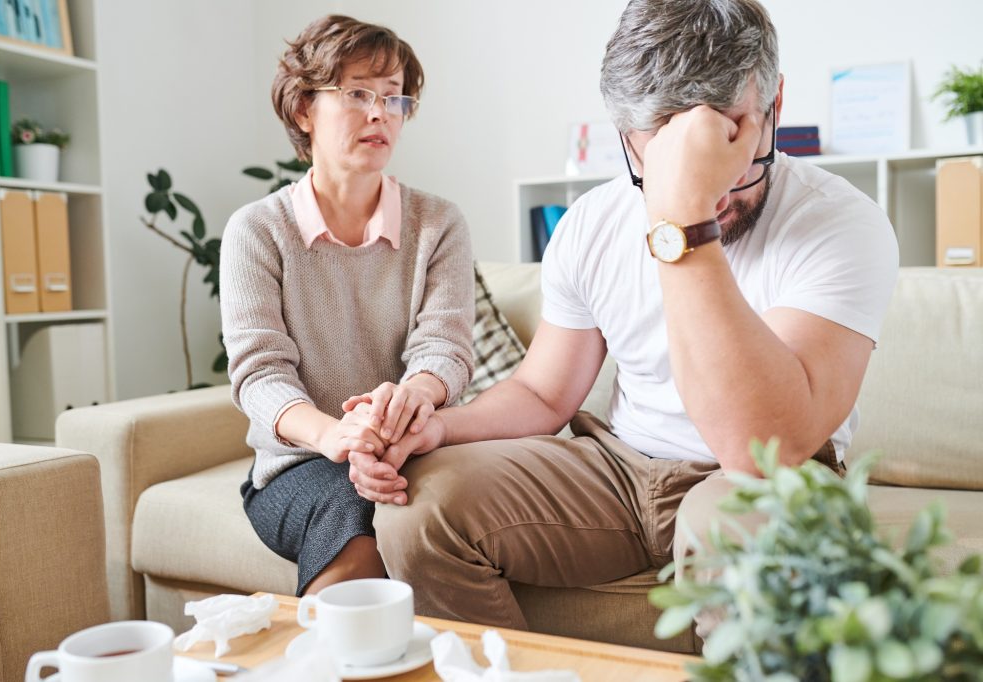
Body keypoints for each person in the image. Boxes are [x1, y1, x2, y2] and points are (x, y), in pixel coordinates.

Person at [354, 0, 899, 632]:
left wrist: (683, 218)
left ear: (774, 105)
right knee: (417, 508)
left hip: (766, 481)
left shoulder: (840, 223)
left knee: (728, 530)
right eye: (662, 161)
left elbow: (760, 450)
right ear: (627, 137)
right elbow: (542, 390)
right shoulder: (591, 221)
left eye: (733, 149)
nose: (717, 192)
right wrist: (441, 429)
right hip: (620, 469)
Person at [220, 15, 475, 597]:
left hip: (411, 447)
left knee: (432, 502)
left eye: (394, 97)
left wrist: (400, 407)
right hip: (299, 463)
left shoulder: (438, 224)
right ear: (303, 109)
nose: (381, 112)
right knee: (355, 507)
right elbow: (259, 374)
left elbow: (445, 348)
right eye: (358, 93)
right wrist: (337, 437)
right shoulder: (257, 230)